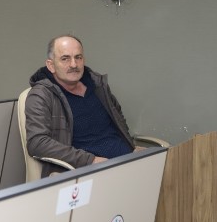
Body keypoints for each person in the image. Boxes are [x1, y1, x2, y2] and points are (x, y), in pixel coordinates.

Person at [25, 35, 138, 178]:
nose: (74, 64)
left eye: (78, 57)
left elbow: (118, 117)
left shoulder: (97, 85)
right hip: (87, 173)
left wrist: (132, 147)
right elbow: (37, 143)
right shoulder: (41, 95)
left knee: (164, 165)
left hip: (127, 162)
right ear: (51, 65)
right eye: (65, 58)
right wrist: (90, 161)